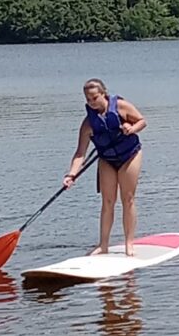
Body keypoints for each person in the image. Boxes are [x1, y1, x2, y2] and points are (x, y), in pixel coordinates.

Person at [63, 78, 146, 257]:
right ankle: (103, 245)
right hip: (107, 159)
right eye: (88, 99)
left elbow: (141, 121)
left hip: (129, 155)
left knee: (128, 198)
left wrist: (131, 129)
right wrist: (71, 174)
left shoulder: (121, 107)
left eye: (94, 98)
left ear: (103, 94)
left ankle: (129, 244)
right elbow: (80, 154)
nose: (92, 103)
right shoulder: (88, 124)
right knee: (108, 202)